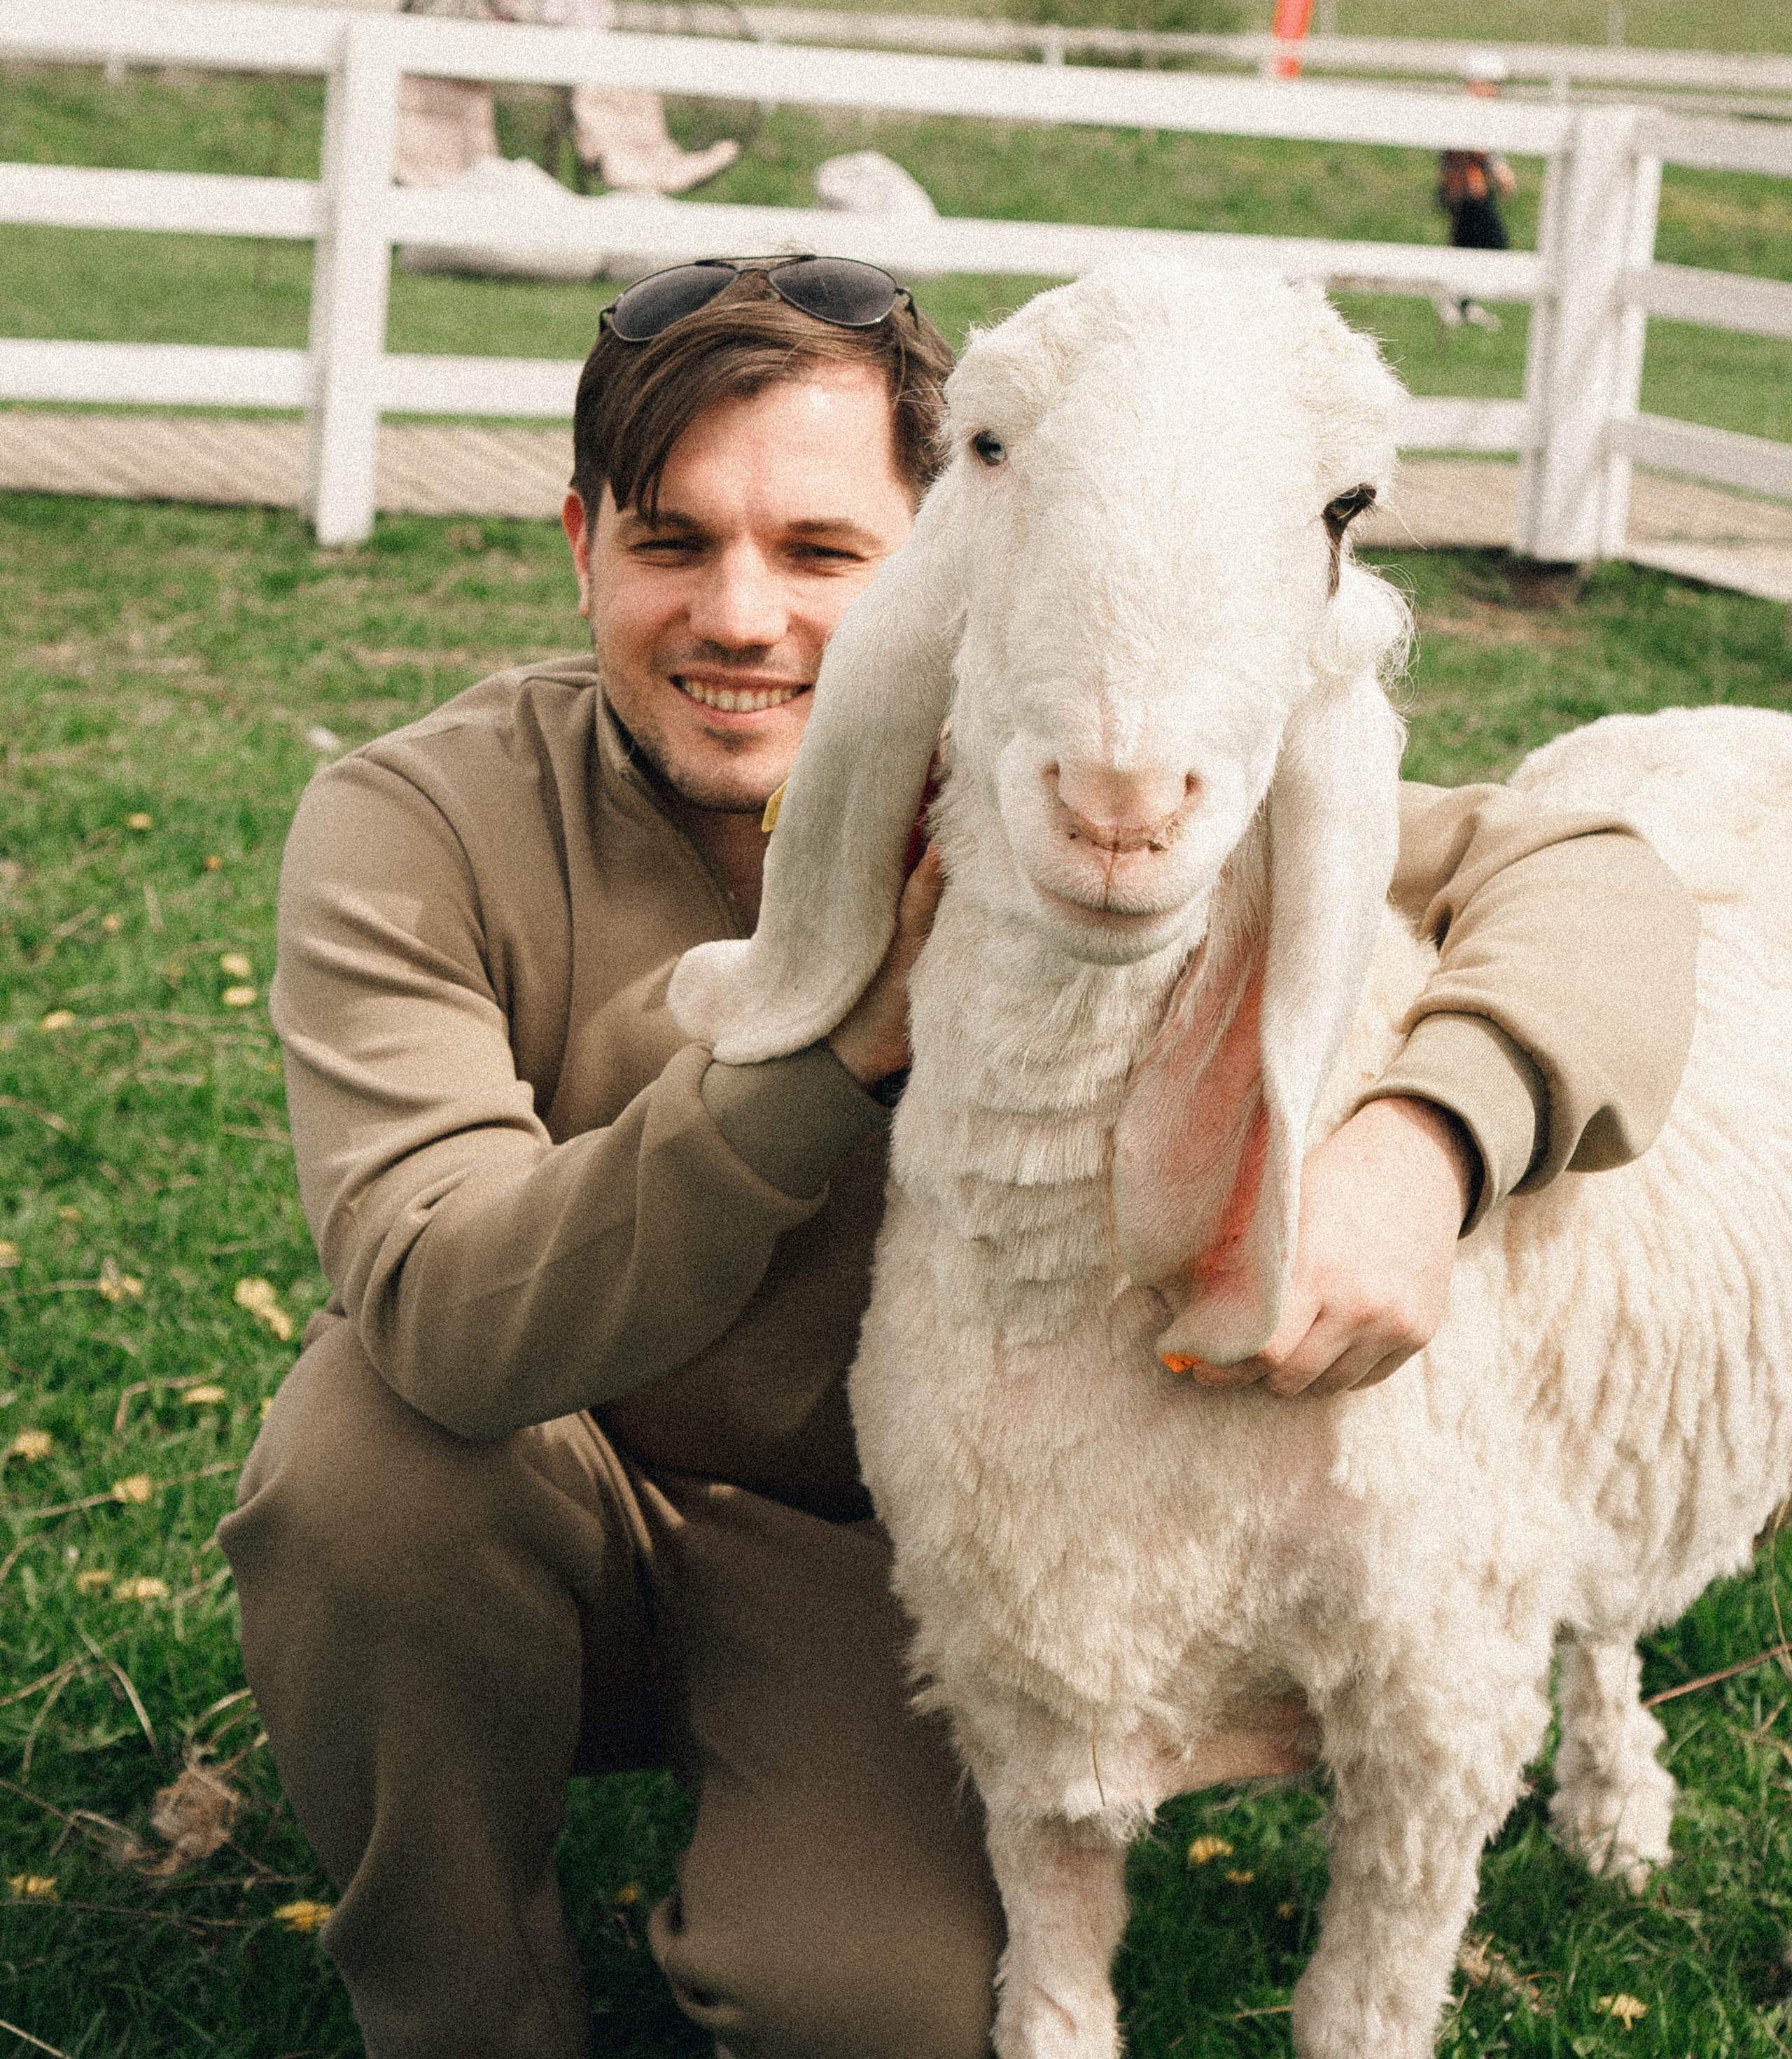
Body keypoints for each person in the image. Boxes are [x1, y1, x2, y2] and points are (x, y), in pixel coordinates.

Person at [219, 255, 1698, 2059]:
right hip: (551, 1479)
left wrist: (1428, 1137)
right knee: (363, 1455)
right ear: (578, 543)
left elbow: (1593, 882)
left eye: (822, 552)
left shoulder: (1070, 759)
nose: (740, 615)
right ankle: (465, 2014)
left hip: (879, 1546)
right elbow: (446, 1306)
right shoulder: (416, 821)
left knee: (874, 2007)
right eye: (672, 541)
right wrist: (827, 1052)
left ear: (950, 545)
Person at [1435, 47, 1517, 330]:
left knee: (1466, 245)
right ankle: (1455, 300)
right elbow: (1480, 148)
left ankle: (1461, 303)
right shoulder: (1468, 110)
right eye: (1493, 84)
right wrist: (1499, 170)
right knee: (1491, 242)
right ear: (1478, 82)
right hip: (1468, 190)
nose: (1496, 90)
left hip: (1467, 189)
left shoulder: (1468, 109)